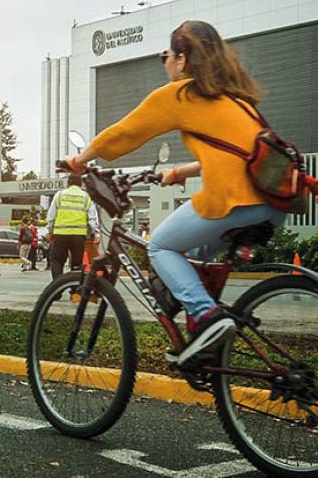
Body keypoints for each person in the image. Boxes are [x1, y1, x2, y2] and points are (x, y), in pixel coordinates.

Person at [64, 20, 281, 366]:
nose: (164, 62)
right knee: (194, 253)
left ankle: (206, 317)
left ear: (181, 60)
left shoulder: (181, 95)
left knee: (161, 246)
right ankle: (203, 338)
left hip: (236, 199)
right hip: (273, 201)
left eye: (165, 55)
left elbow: (123, 134)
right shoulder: (237, 100)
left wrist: (79, 160)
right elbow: (242, 157)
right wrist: (181, 171)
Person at [46, 175, 97, 282]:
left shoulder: (59, 195)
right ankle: (75, 292)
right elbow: (92, 218)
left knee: (57, 262)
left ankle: (57, 289)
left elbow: (51, 216)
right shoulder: (86, 197)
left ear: (68, 183)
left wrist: (50, 231)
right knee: (77, 263)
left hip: (60, 234)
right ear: (81, 184)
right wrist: (96, 234)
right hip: (79, 235)